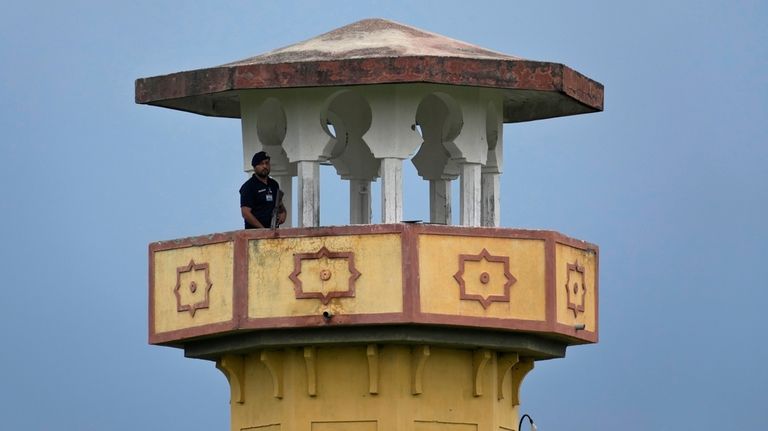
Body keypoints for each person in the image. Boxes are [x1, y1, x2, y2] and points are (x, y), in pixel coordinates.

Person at [239, 151, 287, 229]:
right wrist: (263, 230)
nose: (265, 166)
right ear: (254, 167)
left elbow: (279, 204)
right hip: (255, 234)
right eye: (261, 164)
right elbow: (245, 213)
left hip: (273, 231)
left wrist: (283, 213)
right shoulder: (248, 186)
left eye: (267, 163)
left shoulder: (274, 184)